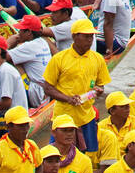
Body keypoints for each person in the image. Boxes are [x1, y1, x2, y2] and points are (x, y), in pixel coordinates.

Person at [42, 17, 110, 153]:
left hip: (86, 116)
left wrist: (99, 90)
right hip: (64, 117)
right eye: (86, 37)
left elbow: (101, 85)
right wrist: (68, 99)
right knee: (56, 153)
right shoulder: (59, 59)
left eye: (91, 36)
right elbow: (48, 88)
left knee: (88, 154)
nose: (90, 40)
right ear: (74, 37)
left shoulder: (98, 59)